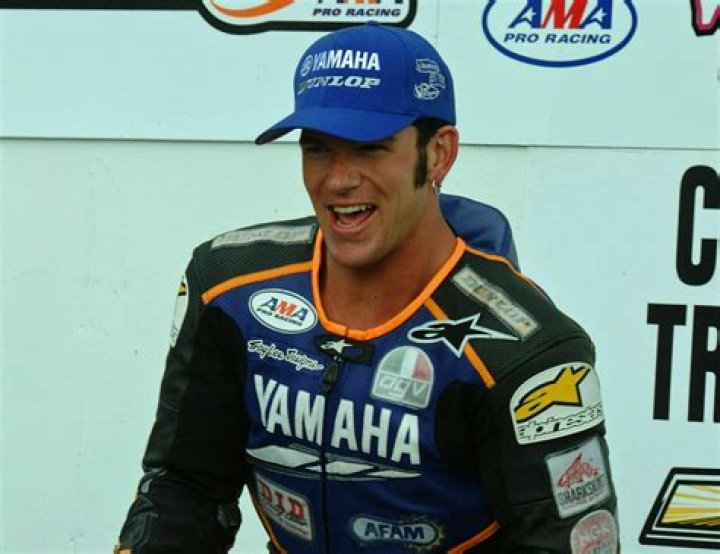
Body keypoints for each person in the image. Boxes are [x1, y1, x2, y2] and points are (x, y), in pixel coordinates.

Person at [117, 22, 618, 553]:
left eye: (370, 149)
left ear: (439, 154)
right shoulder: (227, 286)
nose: (337, 179)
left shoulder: (530, 353)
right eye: (317, 148)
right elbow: (186, 487)